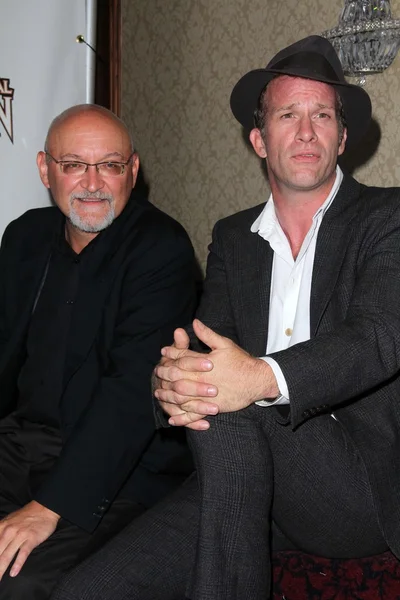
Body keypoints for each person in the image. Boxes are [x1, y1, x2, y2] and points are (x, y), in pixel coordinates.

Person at [51, 36, 400, 600]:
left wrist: (256, 378)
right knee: (88, 590)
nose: (306, 131)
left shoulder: (389, 217)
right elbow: (209, 356)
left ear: (342, 136)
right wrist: (169, 384)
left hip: (358, 492)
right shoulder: (232, 238)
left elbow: (380, 337)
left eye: (322, 115)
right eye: (288, 115)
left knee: (232, 399)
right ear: (259, 140)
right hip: (249, 479)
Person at [0, 103, 196, 599]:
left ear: (132, 170)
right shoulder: (23, 236)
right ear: (46, 169)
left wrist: (47, 508)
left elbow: (132, 390)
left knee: (20, 583)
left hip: (115, 467)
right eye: (73, 166)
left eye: (109, 165)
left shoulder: (161, 248)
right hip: (16, 445)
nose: (93, 183)